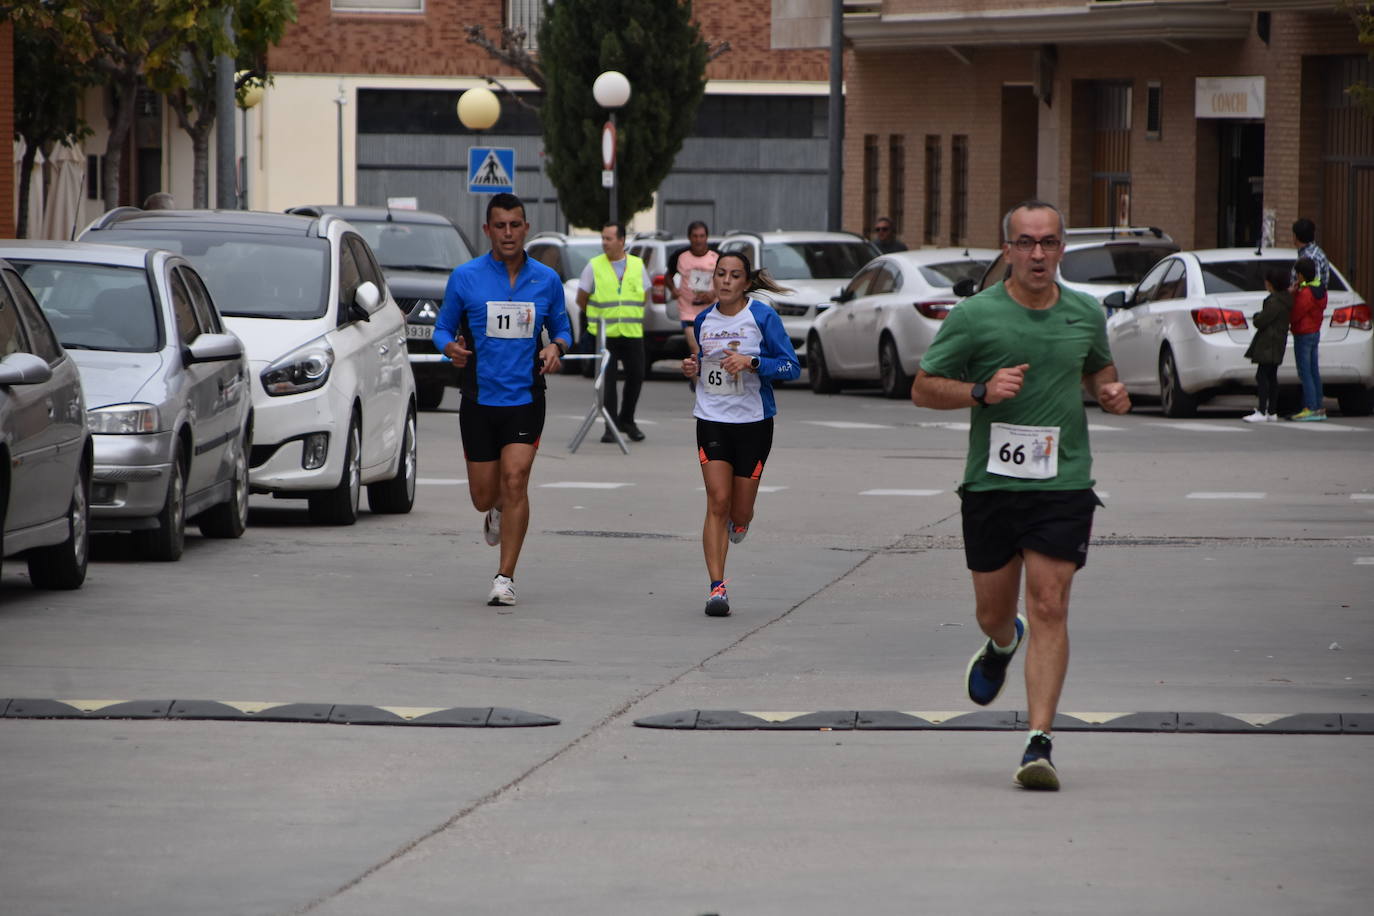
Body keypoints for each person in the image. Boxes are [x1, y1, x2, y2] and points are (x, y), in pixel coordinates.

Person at [911, 199, 1131, 791]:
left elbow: (1099, 372)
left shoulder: (1086, 313)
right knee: (993, 610)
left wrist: (1111, 392)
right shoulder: (975, 317)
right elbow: (924, 388)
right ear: (1007, 250)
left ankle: (1039, 742)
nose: (1039, 254)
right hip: (992, 485)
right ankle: (1002, 642)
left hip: (1063, 484)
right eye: (1027, 243)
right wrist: (981, 391)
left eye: (1050, 243)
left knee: (1051, 602)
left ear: (1062, 248)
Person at [433, 192, 572, 607]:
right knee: (483, 496)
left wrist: (556, 349)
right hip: (479, 398)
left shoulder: (546, 279)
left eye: (515, 225)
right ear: (487, 229)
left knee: (516, 480)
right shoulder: (466, 277)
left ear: (526, 228)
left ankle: (505, 576)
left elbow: (563, 329)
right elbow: (442, 328)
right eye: (500, 225)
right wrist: (449, 349)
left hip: (526, 398)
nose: (508, 233)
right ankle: (494, 511)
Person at [680, 251, 800, 617]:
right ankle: (717, 587)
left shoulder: (762, 317)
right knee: (717, 501)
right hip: (712, 419)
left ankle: (741, 520)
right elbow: (704, 369)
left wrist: (753, 362)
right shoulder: (703, 320)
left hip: (753, 422)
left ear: (746, 283)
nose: (726, 281)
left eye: (734, 275)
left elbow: (791, 367)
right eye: (720, 274)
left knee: (739, 509)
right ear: (713, 279)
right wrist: (693, 369)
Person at [576, 223, 651, 442]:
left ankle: (627, 420)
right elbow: (581, 299)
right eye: (603, 238)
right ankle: (610, 427)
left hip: (632, 332)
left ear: (621, 241)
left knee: (636, 376)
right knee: (607, 382)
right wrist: (596, 317)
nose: (604, 243)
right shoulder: (594, 266)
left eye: (609, 239)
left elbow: (645, 294)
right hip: (605, 335)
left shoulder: (637, 265)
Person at [665, 221, 719, 369]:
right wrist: (673, 290)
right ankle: (697, 384)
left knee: (710, 350)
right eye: (695, 236)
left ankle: (707, 381)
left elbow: (724, 281)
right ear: (689, 237)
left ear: (706, 237)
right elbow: (668, 276)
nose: (698, 240)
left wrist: (713, 293)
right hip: (688, 310)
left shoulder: (716, 257)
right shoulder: (680, 256)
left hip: (710, 310)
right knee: (695, 349)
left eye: (701, 236)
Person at [1242, 268, 1292, 423]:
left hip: (1268, 344)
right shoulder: (1286, 299)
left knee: (1262, 376)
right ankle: (1272, 411)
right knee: (1271, 377)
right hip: (1277, 342)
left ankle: (1263, 410)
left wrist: (1257, 316)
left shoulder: (1275, 301)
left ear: (1271, 284)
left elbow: (1260, 321)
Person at [1288, 256, 1328, 422]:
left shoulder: (1305, 293)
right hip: (1314, 332)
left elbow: (1295, 314)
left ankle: (1310, 407)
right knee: (1313, 371)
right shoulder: (1320, 289)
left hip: (1303, 333)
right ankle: (1318, 406)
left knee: (1305, 372)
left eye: (1297, 275)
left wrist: (1293, 294)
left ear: (1302, 275)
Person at [1291, 218, 1330, 289]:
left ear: (1295, 236)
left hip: (1307, 299)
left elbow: (1314, 285)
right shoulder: (1312, 253)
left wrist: (1297, 287)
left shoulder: (1311, 257)